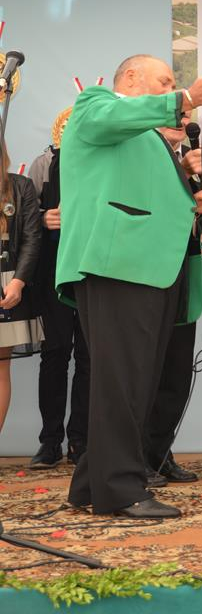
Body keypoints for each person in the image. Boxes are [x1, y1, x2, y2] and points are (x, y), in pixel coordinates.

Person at [56, 54, 202, 518]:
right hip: (118, 264)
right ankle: (120, 490)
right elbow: (110, 120)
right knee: (124, 382)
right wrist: (187, 96)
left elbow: (151, 199)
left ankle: (92, 484)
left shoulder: (149, 138)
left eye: (174, 85)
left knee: (134, 382)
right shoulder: (95, 105)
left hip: (151, 267)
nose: (172, 90)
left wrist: (195, 199)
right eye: (165, 81)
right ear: (131, 78)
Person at [143, 107, 202, 486]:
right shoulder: (141, 154)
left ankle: (160, 454)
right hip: (148, 280)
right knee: (145, 374)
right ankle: (134, 457)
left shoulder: (189, 161)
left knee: (176, 374)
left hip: (182, 279)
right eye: (174, 113)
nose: (181, 120)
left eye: (186, 114)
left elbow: (197, 211)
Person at [28, 118, 90, 470]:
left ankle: (81, 441)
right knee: (54, 354)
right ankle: (50, 441)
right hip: (53, 271)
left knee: (90, 357)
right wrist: (42, 217)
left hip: (95, 272)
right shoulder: (45, 162)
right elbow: (24, 216)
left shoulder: (106, 159)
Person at [0, 142, 43, 434]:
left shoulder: (20, 186)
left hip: (8, 284)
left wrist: (18, 281)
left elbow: (31, 237)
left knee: (0, 367)